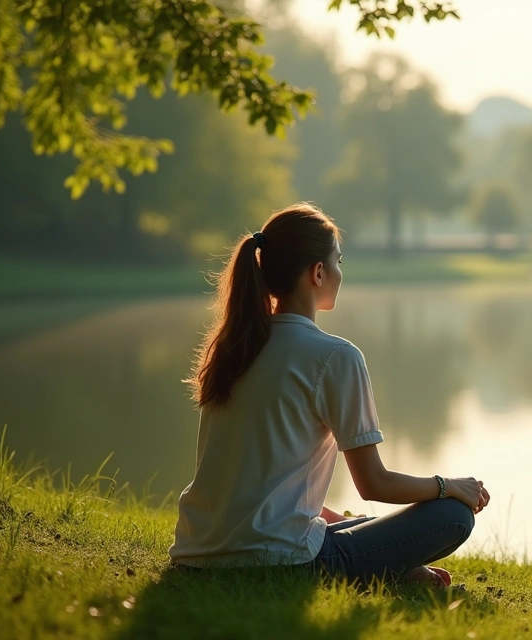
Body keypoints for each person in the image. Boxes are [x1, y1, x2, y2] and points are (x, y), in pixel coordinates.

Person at [169, 203, 490, 586]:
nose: (340, 272)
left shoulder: (233, 348)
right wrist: (447, 486)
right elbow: (374, 483)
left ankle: (395, 569)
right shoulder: (335, 356)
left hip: (196, 552)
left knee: (363, 524)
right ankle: (390, 569)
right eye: (338, 261)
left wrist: (357, 528)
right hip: (281, 560)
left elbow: (263, 487)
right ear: (318, 272)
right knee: (453, 514)